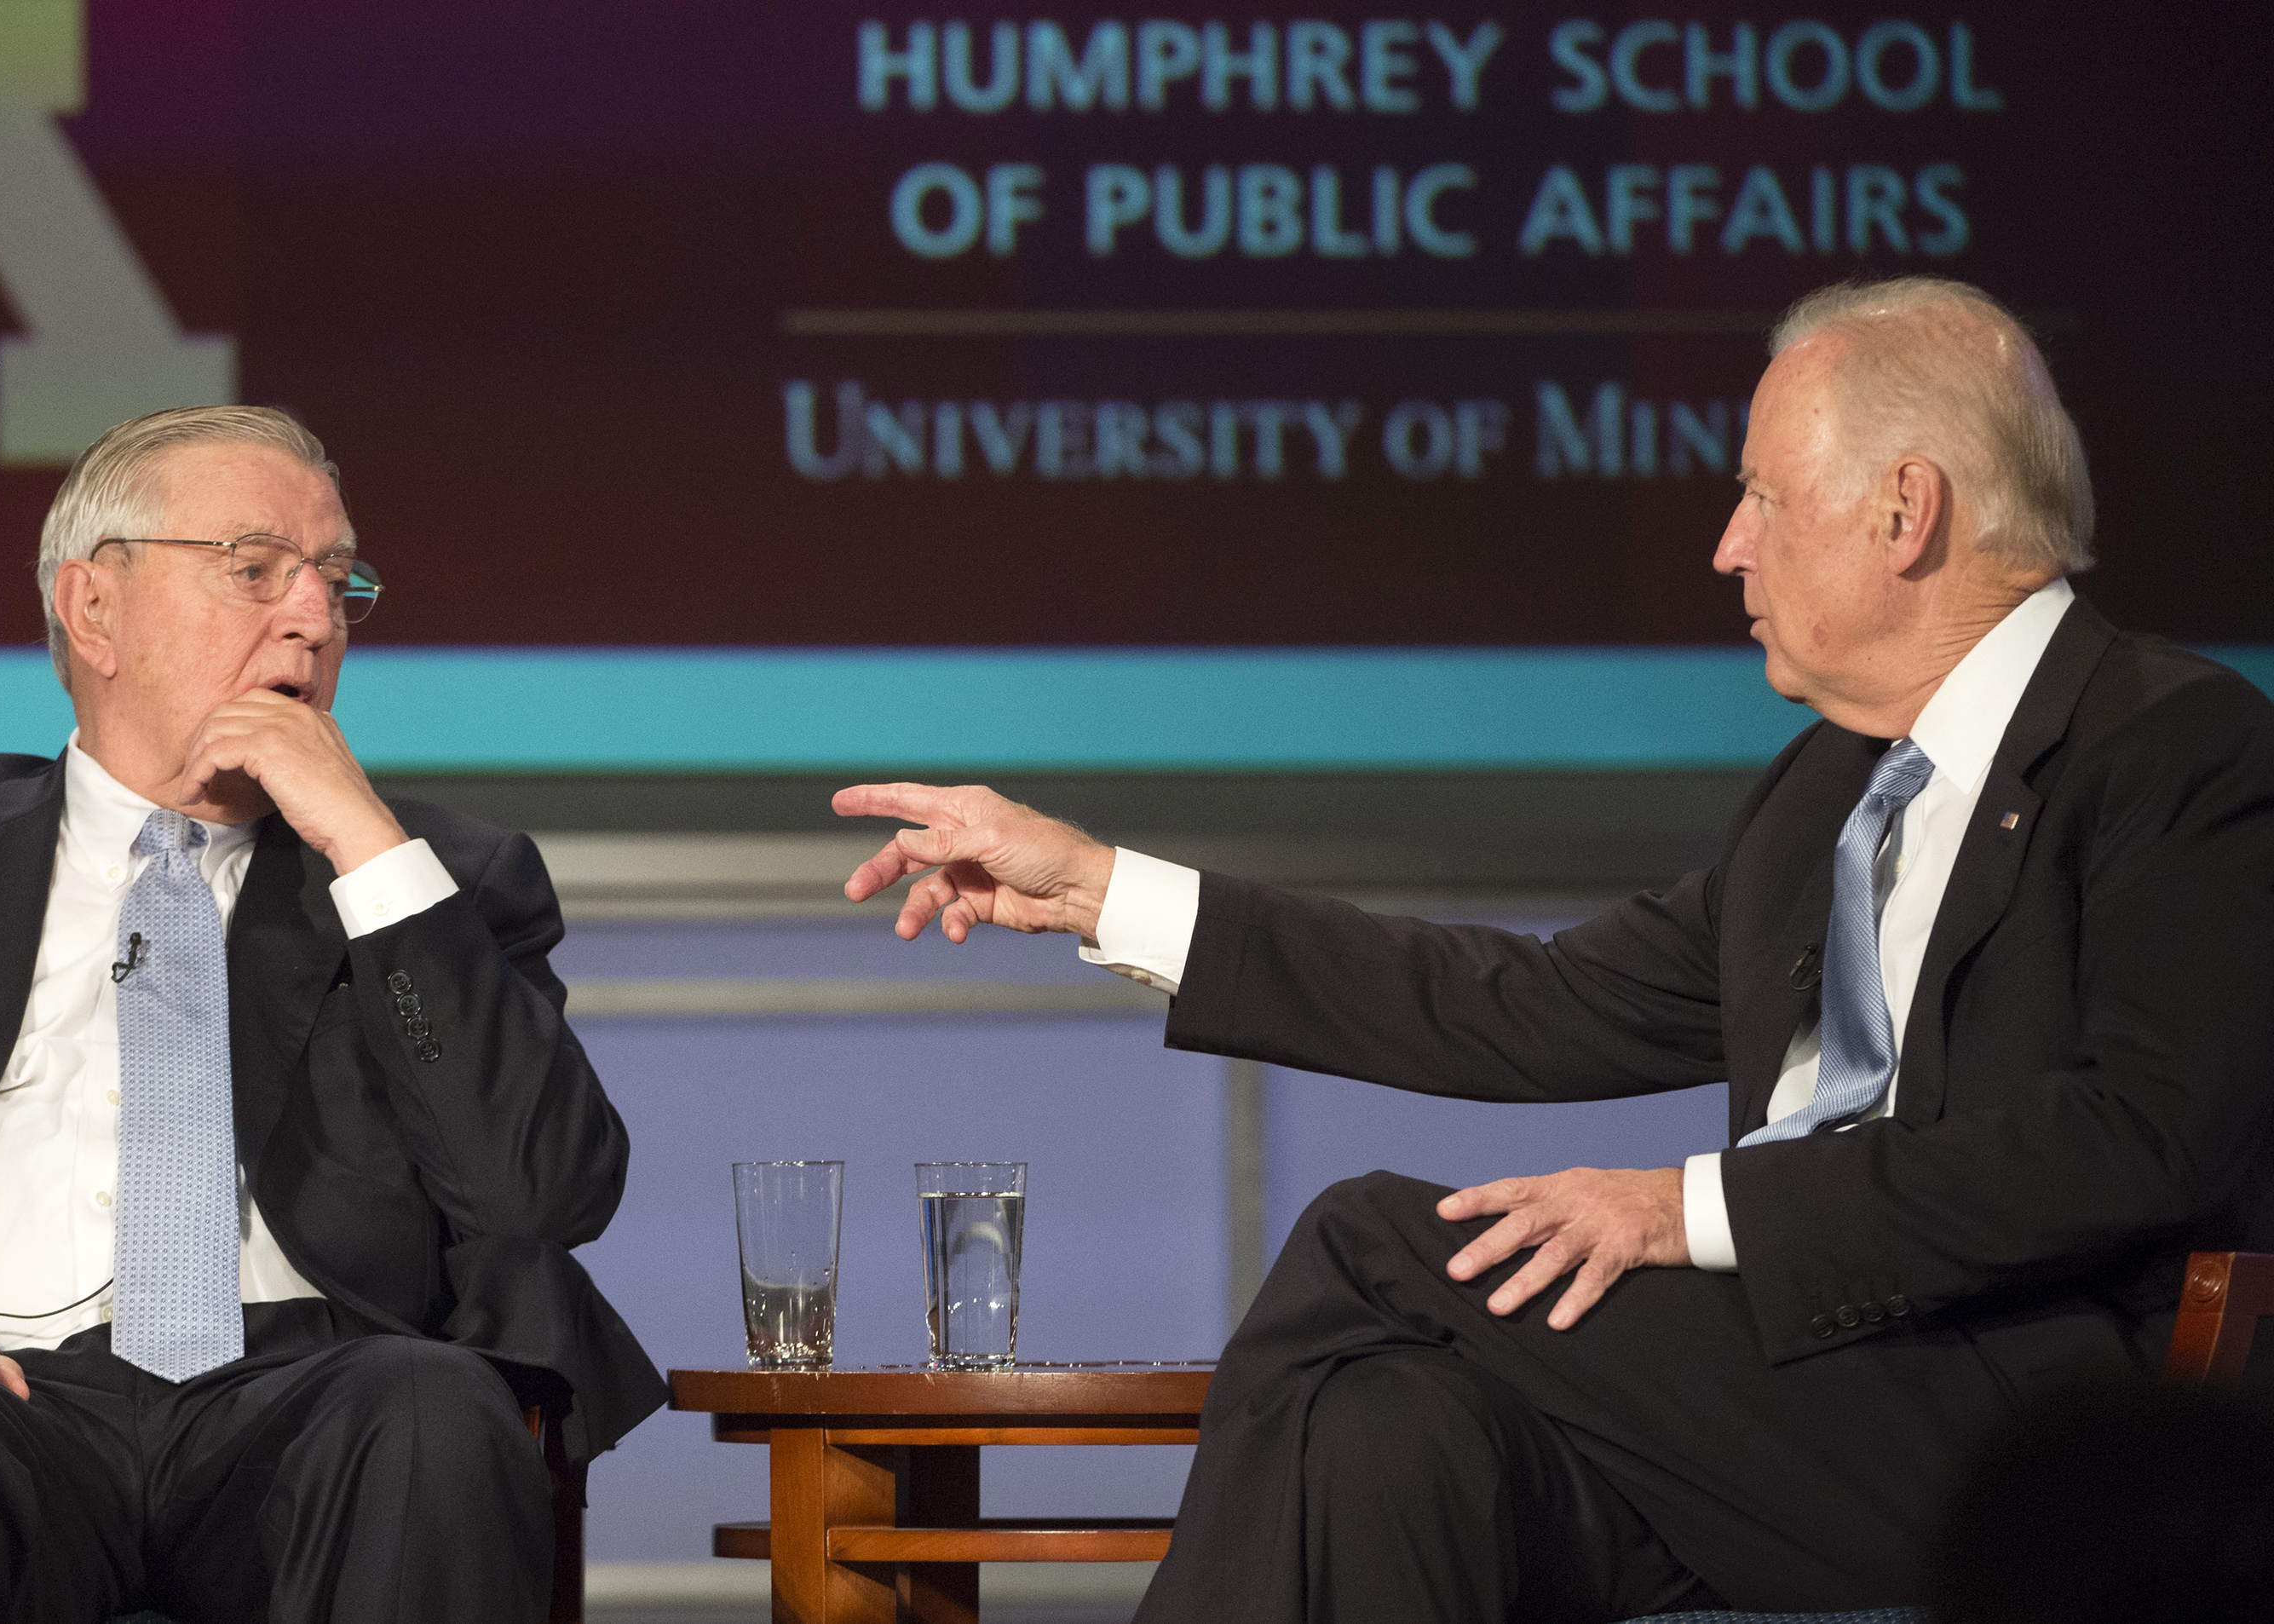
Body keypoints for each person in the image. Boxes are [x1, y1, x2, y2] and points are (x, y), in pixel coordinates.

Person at [832, 277, 2274, 1620]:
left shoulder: (2176, 749)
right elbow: (1516, 1004)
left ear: (1906, 509)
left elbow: (2142, 1135)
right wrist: (1096, 887)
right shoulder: (1818, 799)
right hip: (1765, 1407)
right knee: (1391, 1434)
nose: (1728, 544)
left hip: (2024, 1425)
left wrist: (1688, 1210)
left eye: (1764, 496)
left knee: (1365, 1237)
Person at [0, 406, 664, 1624]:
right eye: (256, 569)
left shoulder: (432, 883)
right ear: (93, 607)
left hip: (310, 1402)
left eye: (337, 580)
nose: (315, 616)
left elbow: (546, 1194)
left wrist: (368, 845)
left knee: (431, 1409)